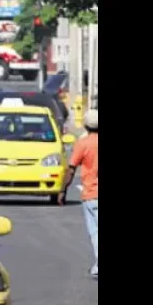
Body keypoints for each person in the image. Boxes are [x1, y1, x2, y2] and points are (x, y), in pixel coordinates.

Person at [58, 110, 98, 278]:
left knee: (95, 232)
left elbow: (71, 169)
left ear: (85, 125)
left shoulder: (83, 144)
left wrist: (62, 190)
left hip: (92, 194)